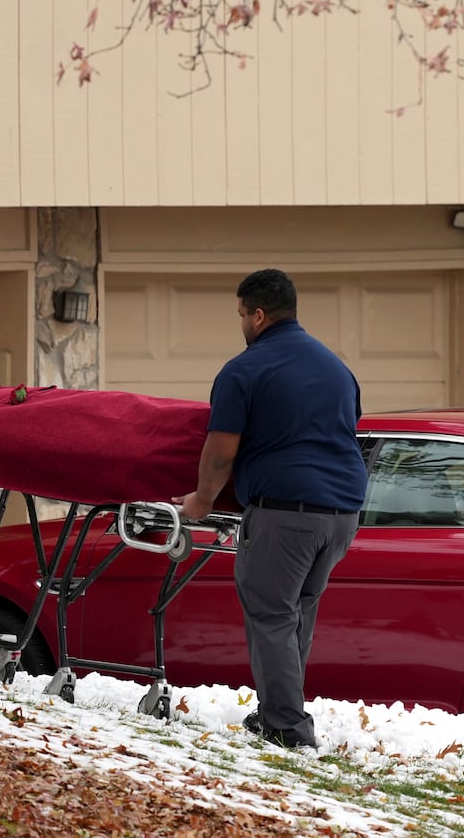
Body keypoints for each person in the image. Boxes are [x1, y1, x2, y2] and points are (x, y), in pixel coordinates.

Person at [176, 269, 367, 750]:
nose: (240, 323)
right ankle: (276, 713)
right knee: (294, 614)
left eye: (241, 314)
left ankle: (288, 727)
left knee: (272, 615)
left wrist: (201, 499)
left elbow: (221, 450)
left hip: (286, 514)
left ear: (258, 314)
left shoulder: (245, 370)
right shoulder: (335, 367)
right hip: (343, 514)